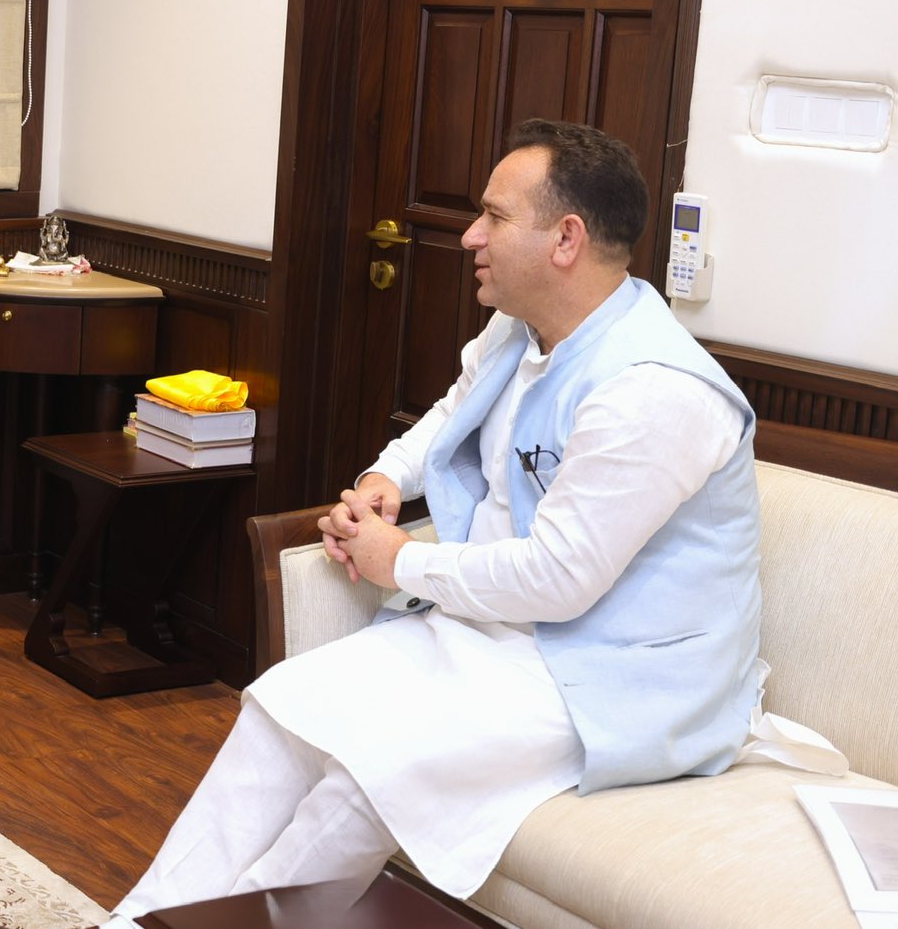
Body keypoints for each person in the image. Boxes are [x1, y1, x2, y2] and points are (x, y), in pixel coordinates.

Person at [107, 120, 773, 922]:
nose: (468, 237)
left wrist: (399, 562)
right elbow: (453, 412)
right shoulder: (520, 327)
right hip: (497, 636)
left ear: (566, 239)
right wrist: (388, 475)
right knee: (281, 709)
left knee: (374, 772)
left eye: (493, 216)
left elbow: (559, 581)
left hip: (610, 676)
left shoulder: (654, 391)